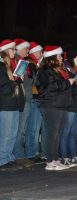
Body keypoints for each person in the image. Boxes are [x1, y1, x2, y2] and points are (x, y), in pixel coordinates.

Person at [36, 45, 75, 171]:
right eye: (59, 55)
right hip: (51, 105)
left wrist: (71, 81)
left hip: (60, 104)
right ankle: (50, 161)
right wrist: (68, 82)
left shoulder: (58, 70)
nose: (61, 58)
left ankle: (55, 159)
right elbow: (52, 86)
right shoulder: (46, 70)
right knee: (52, 134)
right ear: (52, 57)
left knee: (57, 134)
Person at [59, 48, 77, 167]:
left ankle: (74, 156)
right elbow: (67, 90)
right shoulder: (67, 71)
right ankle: (64, 157)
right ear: (72, 59)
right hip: (70, 106)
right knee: (66, 132)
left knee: (74, 132)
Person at [0, 39, 25, 171]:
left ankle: (9, 157)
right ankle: (2, 160)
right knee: (6, 133)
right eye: (13, 49)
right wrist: (15, 81)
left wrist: (18, 79)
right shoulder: (1, 66)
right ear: (6, 50)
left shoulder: (10, 65)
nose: (15, 52)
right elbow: (3, 86)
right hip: (5, 104)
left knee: (13, 133)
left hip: (13, 103)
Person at [13, 38, 34, 167]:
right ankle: (18, 155)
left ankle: (19, 154)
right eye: (26, 48)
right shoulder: (17, 62)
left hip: (26, 98)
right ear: (19, 49)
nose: (28, 50)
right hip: (21, 99)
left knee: (23, 128)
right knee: (20, 129)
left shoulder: (25, 63)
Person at [25, 42, 46, 161]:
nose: (41, 53)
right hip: (34, 98)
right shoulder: (30, 63)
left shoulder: (37, 64)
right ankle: (30, 153)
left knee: (35, 128)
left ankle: (34, 151)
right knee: (33, 128)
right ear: (33, 52)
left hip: (38, 98)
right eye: (39, 51)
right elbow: (36, 80)